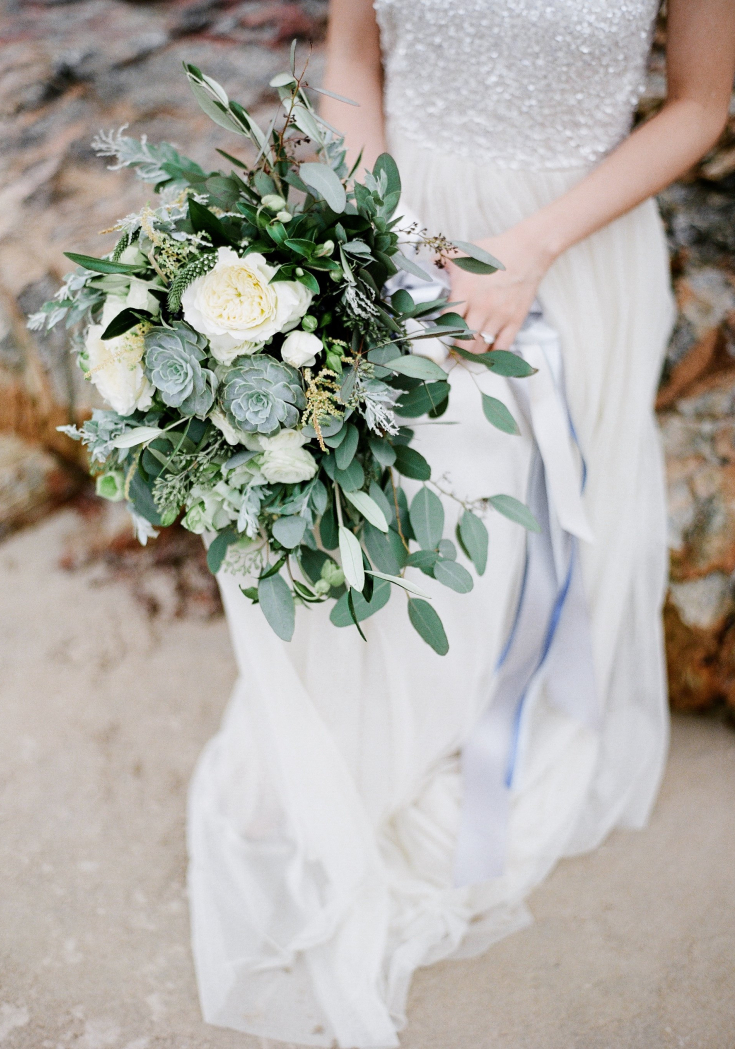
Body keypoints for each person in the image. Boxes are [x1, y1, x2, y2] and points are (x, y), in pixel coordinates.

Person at [186, 3, 735, 1046]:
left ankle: (473, 738)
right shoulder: (382, 224)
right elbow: (354, 55)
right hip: (398, 215)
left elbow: (702, 106)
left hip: (568, 241)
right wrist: (376, 233)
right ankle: (348, 741)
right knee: (371, 506)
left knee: (499, 521)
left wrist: (530, 248)